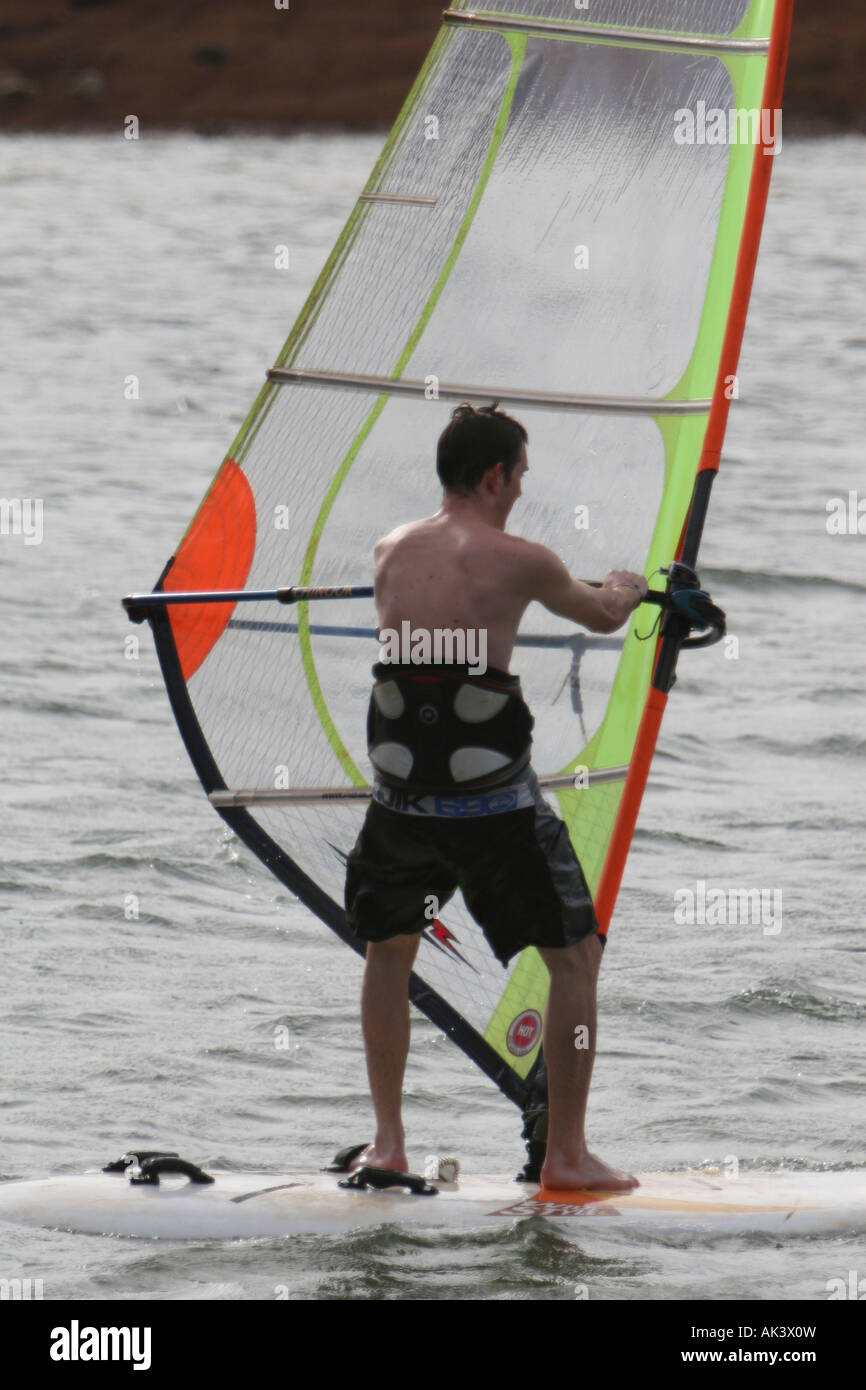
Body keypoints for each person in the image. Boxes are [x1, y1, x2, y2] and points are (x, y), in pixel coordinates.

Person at [344, 403, 646, 1190]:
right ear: (493, 476)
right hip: (493, 815)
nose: (520, 490)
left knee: (389, 951)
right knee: (575, 958)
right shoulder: (525, 561)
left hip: (400, 806)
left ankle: (388, 1144)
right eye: (518, 476)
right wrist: (627, 583)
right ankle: (568, 1156)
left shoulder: (388, 550)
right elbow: (605, 615)